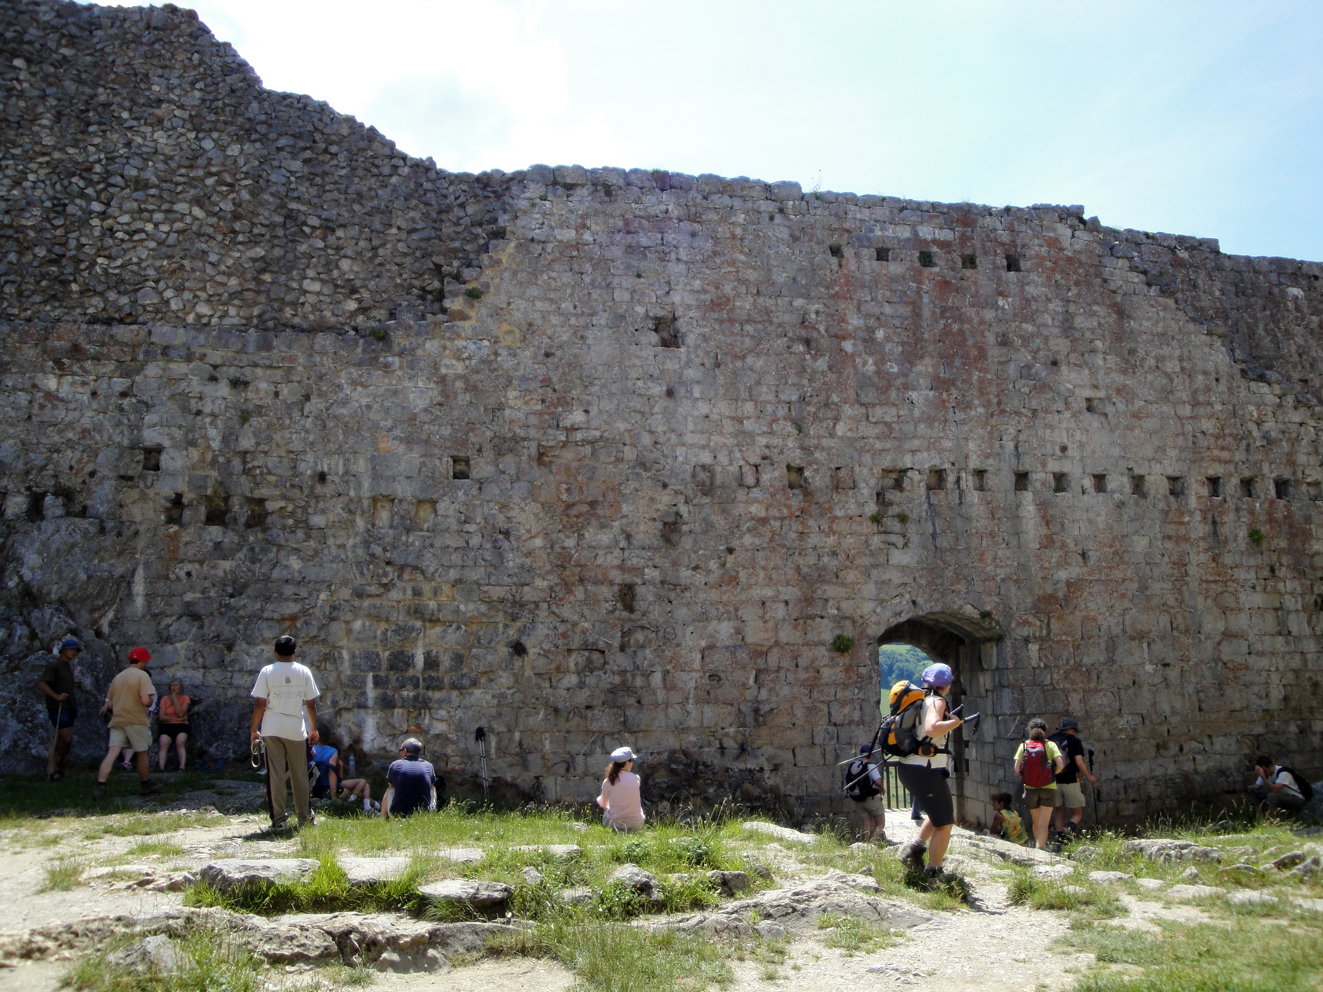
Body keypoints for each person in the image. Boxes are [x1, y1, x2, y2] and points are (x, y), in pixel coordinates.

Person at [895, 663, 965, 876]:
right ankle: (934, 871)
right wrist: (956, 722)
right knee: (945, 823)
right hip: (925, 770)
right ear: (947, 684)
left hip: (910, 767)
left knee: (937, 814)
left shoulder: (922, 699)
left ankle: (914, 850)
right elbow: (932, 729)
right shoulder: (937, 701)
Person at [250, 635, 320, 831]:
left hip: (272, 727)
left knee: (276, 775)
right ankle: (304, 817)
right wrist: (313, 728)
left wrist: (254, 729)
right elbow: (311, 703)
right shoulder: (303, 671)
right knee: (300, 774)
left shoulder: (267, 671)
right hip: (296, 728)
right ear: (294, 653)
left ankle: (279, 819)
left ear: (275, 653)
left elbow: (259, 703)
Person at [94, 648, 160, 799]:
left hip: (118, 720)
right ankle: (146, 784)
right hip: (136, 719)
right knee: (142, 753)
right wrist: (150, 701)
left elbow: (109, 704)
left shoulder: (118, 677)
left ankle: (100, 786)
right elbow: (145, 700)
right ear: (143, 661)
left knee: (112, 753)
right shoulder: (142, 676)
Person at [1015, 718, 1066, 849]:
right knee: (1044, 823)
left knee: (1036, 821)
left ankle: (1037, 847)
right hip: (1048, 787)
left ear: (1030, 731)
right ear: (1045, 730)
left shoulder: (1024, 745)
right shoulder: (1050, 745)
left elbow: (1016, 769)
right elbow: (1061, 765)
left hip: (1030, 788)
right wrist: (1052, 774)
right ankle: (1040, 848)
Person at [37, 638, 81, 781]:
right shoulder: (54, 665)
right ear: (63, 650)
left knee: (61, 739)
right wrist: (56, 696)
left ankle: (54, 768)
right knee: (66, 738)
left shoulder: (67, 666)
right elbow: (43, 684)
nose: (74, 652)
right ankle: (60, 764)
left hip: (70, 706)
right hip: (58, 708)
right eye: (71, 649)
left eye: (76, 650)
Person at [1050, 718, 1096, 839]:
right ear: (1072, 730)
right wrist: (1090, 777)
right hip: (1071, 780)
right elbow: (1079, 763)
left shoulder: (1051, 739)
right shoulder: (1075, 741)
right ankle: (1068, 830)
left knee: (1059, 811)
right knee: (1077, 813)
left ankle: (1059, 839)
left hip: (1054, 781)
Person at [381, 738, 437, 818]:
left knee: (390, 788)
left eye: (400, 750)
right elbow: (431, 785)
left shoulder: (395, 765)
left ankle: (382, 818)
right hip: (424, 815)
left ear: (405, 751)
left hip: (398, 815)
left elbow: (391, 785)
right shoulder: (428, 766)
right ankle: (429, 813)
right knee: (432, 787)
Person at [844, 744, 887, 842]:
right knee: (880, 823)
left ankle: (865, 843)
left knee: (866, 821)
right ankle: (873, 843)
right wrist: (881, 787)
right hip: (871, 798)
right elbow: (878, 781)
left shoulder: (853, 765)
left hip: (857, 797)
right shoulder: (871, 766)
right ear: (871, 755)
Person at [597, 745, 646, 831]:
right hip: (636, 824)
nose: (633, 763)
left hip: (616, 824)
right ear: (627, 763)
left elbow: (604, 804)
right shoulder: (636, 778)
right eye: (632, 761)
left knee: (606, 809)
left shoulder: (608, 781)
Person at [157, 679, 191, 771]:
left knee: (180, 742)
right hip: (168, 725)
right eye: (172, 685)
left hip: (182, 725)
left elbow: (181, 713)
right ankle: (161, 768)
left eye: (176, 685)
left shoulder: (185, 698)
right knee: (163, 743)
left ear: (180, 687)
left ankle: (182, 767)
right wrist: (176, 719)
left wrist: (175, 699)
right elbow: (162, 717)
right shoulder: (164, 699)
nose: (174, 687)